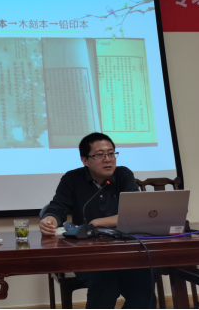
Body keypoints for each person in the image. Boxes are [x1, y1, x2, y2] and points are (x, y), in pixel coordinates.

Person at [39, 132, 156, 309]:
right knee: (105, 282)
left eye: (111, 153)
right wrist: (49, 220)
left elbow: (134, 213)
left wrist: (96, 223)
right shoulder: (71, 179)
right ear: (85, 160)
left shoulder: (123, 175)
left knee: (144, 278)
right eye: (100, 155)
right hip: (87, 255)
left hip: (124, 252)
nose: (108, 159)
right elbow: (57, 208)